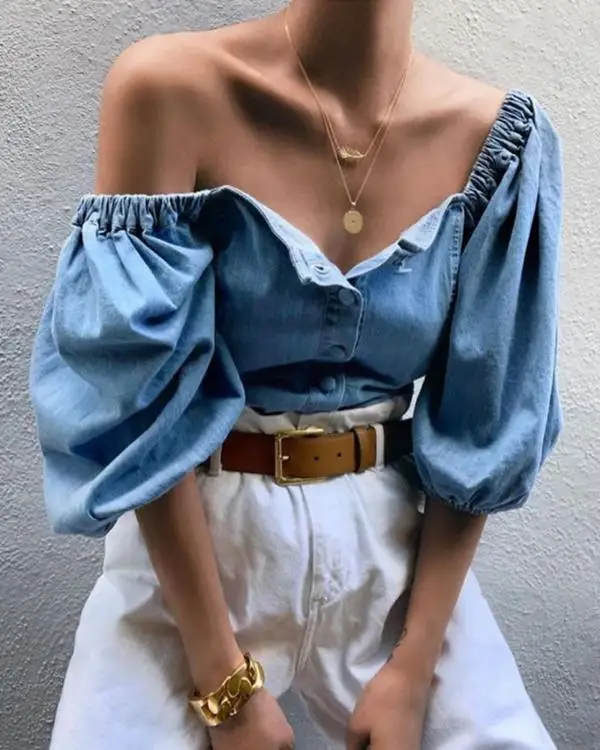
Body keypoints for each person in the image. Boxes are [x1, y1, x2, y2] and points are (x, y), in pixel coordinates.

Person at [29, 0, 563, 748]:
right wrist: (224, 684)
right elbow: (143, 405)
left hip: (394, 556)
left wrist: (413, 668)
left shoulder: (495, 143)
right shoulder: (169, 89)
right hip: (198, 550)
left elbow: (483, 420)